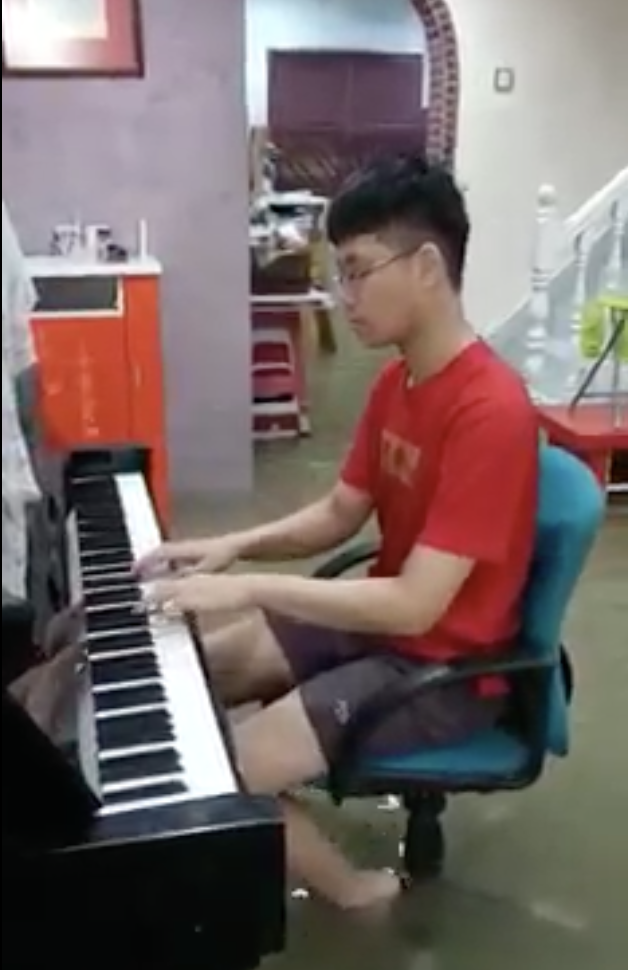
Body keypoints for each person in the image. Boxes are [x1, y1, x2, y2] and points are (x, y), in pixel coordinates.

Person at [138, 156, 539, 912]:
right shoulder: (399, 381)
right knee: (182, 674)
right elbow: (338, 514)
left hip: (445, 667)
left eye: (356, 271)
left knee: (215, 770)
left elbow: (419, 607)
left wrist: (246, 586)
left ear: (426, 266)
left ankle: (359, 897)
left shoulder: (491, 410)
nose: (339, 295)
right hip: (381, 630)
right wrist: (234, 545)